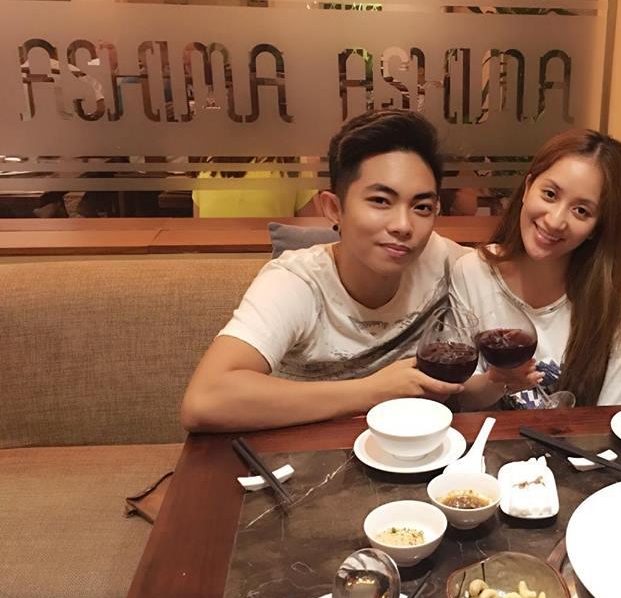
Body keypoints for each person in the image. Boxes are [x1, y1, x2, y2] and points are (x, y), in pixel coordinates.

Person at [180, 109, 469, 432]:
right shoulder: (297, 282)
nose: (403, 225)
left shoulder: (442, 260)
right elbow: (204, 401)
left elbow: (503, 266)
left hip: (418, 450)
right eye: (380, 201)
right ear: (334, 209)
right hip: (304, 455)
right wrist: (372, 391)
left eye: (422, 207)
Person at [453, 129, 621, 410]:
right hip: (491, 438)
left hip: (587, 439)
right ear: (527, 188)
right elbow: (460, 398)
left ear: (597, 227)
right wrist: (499, 380)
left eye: (581, 211)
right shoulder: (473, 272)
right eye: (550, 194)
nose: (555, 221)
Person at [191, 157, 322, 218]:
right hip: (273, 261)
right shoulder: (290, 164)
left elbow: (198, 226)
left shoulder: (206, 165)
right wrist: (312, 170)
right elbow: (314, 234)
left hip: (211, 261)